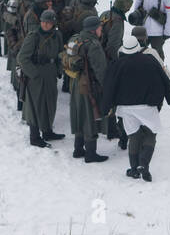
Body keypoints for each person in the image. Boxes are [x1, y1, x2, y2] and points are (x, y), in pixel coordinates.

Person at [101, 32, 170, 181]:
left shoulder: (116, 64)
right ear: (138, 48)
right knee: (150, 133)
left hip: (126, 108)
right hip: (147, 106)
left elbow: (109, 87)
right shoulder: (149, 61)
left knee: (134, 135)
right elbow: (164, 80)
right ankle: (144, 164)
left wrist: (105, 107)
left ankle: (133, 169)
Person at [17, 10, 64, 146]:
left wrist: (58, 70)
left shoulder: (57, 35)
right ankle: (35, 137)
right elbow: (22, 58)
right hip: (36, 75)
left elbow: (60, 54)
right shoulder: (34, 36)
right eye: (43, 21)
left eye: (48, 22)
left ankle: (47, 131)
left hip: (50, 73)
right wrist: (33, 74)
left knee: (50, 103)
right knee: (35, 106)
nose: (45, 24)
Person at [67, 15, 109, 161]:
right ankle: (91, 154)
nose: (101, 29)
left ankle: (78, 149)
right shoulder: (94, 45)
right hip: (89, 86)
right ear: (94, 29)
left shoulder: (75, 38)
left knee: (79, 115)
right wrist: (107, 89)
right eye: (100, 27)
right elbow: (101, 70)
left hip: (76, 83)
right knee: (90, 118)